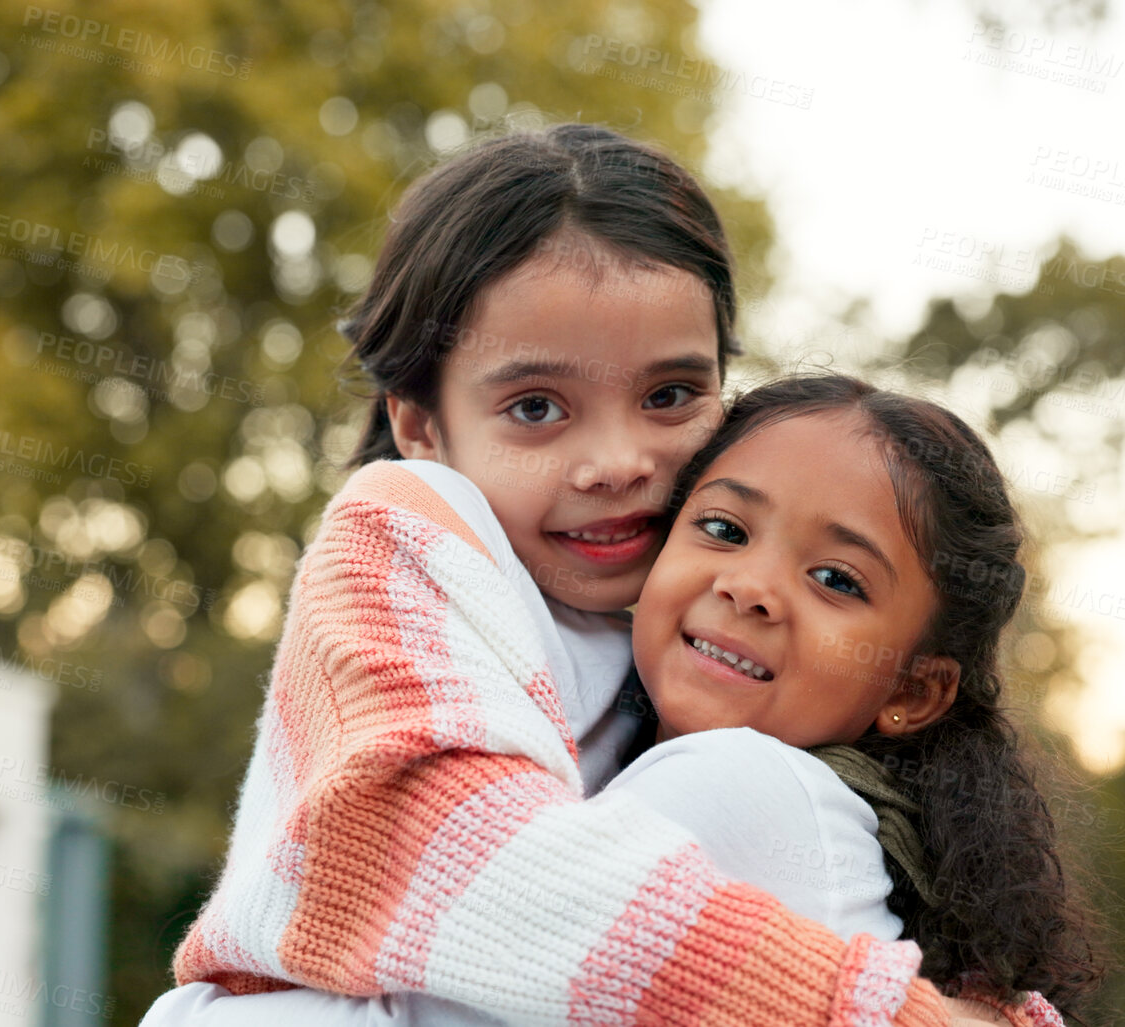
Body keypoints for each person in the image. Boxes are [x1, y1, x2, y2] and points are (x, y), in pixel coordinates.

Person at [155, 122, 1019, 1025]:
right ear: (419, 424)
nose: (617, 461)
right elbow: (476, 867)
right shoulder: (397, 542)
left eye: (669, 396)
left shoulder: (699, 606)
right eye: (535, 407)